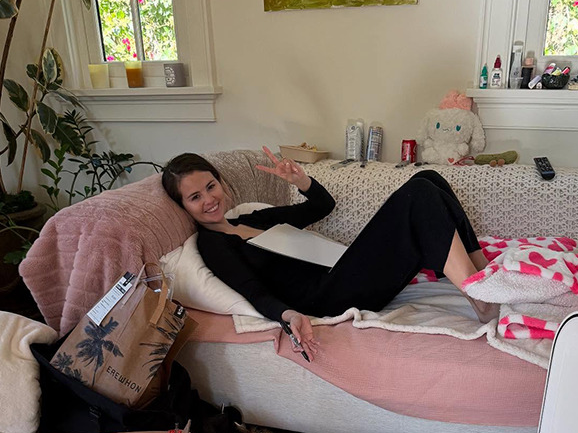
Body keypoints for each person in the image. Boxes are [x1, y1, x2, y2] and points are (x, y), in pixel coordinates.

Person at [161, 147, 496, 361]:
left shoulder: (250, 218)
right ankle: (479, 296)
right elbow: (250, 289)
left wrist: (302, 181)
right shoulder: (212, 244)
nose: (209, 200)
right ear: (183, 207)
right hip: (326, 297)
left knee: (428, 177)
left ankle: (485, 275)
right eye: (194, 197)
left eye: (210, 187)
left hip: (339, 269)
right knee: (419, 193)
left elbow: (322, 206)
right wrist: (287, 315)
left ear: (221, 183)